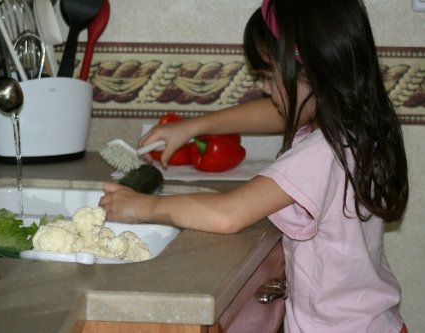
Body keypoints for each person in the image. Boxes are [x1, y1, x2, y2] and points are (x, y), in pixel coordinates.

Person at [99, 0, 409, 331]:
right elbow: (276, 113)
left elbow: (228, 213)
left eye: (268, 76)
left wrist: (144, 206)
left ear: (310, 75)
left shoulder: (319, 154)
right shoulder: (358, 126)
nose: (263, 87)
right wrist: (192, 127)